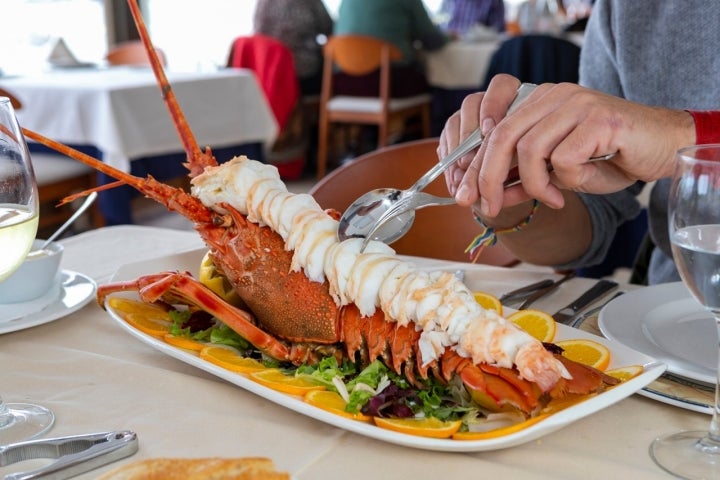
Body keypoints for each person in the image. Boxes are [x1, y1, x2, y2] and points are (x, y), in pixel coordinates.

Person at [438, 0, 720, 285]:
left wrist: (688, 134)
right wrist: (505, 188)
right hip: (675, 301)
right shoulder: (624, 10)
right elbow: (593, 216)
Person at [333, 0, 448, 98]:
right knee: (435, 87)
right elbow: (433, 41)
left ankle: (359, 124)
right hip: (388, 85)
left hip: (343, 83)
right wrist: (450, 38)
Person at [253, 0, 333, 96]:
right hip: (301, 71)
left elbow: (258, 33)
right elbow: (329, 29)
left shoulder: (263, 3)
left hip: (269, 73)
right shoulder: (310, 2)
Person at [439, 0, 506, 36]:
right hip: (450, 47)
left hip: (480, 51)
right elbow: (443, 26)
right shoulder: (450, 2)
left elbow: (498, 32)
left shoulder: (494, 2)